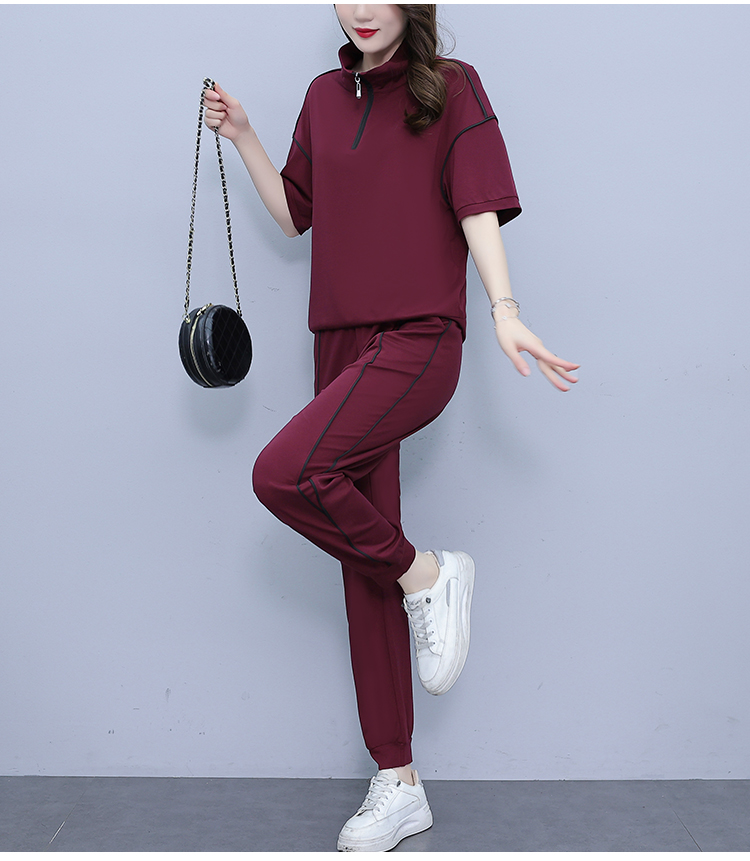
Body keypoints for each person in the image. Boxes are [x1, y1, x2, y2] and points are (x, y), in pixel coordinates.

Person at [203, 4, 579, 852]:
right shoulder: (321, 96)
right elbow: (295, 214)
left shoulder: (452, 87)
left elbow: (477, 205)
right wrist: (246, 135)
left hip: (417, 334)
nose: (362, 8)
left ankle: (430, 574)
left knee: (284, 474)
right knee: (358, 564)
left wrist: (505, 310)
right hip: (338, 339)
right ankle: (399, 780)